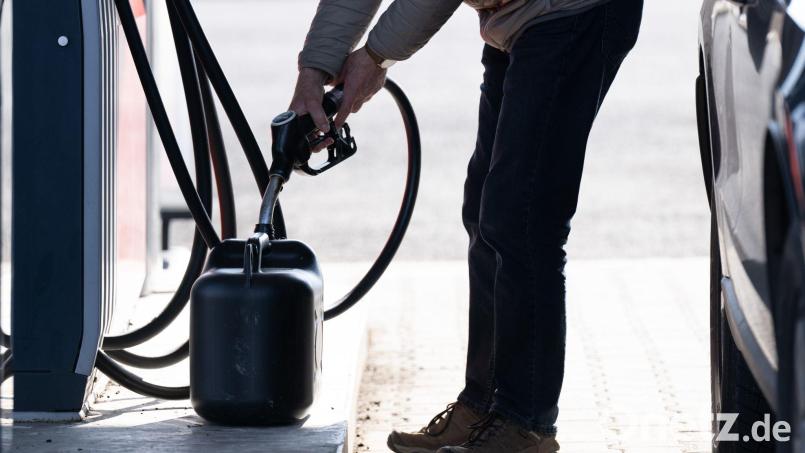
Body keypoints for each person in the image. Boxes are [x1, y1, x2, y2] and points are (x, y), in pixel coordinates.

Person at [291, 1, 643, 451]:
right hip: (517, 21)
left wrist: (375, 55)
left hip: (573, 13)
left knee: (522, 217)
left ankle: (524, 424)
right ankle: (484, 407)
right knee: (484, 213)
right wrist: (314, 70)